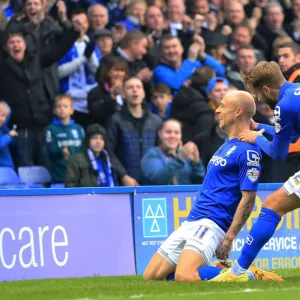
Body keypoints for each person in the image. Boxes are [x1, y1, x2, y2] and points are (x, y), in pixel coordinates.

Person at [143, 91, 282, 282]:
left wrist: (229, 237)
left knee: (184, 275)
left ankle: (248, 275)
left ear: (238, 112)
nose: (217, 110)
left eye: (223, 106)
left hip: (212, 223)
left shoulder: (249, 151)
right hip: (192, 220)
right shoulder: (225, 145)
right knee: (152, 276)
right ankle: (222, 271)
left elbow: (248, 199)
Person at [211, 61, 299, 282]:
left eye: (258, 94)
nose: (259, 100)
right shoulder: (296, 95)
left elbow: (279, 153)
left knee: (272, 205)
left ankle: (237, 272)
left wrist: (257, 138)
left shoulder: (284, 106)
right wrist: (260, 128)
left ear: (267, 89)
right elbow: (294, 136)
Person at [141, 119, 205, 185]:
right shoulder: (152, 154)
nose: (172, 136)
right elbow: (159, 179)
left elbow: (200, 183)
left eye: (176, 132)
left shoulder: (185, 155)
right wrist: (179, 158)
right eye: (168, 132)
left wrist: (196, 163)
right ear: (160, 134)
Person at [46, 95, 84, 184]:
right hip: (59, 177)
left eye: (65, 106)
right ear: (54, 110)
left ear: (72, 110)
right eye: (59, 106)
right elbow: (49, 150)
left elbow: (83, 149)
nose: (62, 109)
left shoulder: (79, 129)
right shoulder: (51, 129)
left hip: (78, 178)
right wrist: (61, 151)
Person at [0, 101, 17, 169]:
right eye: (2, 115)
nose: (4, 119)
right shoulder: (6, 134)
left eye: (6, 117)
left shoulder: (4, 129)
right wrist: (9, 136)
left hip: (8, 166)